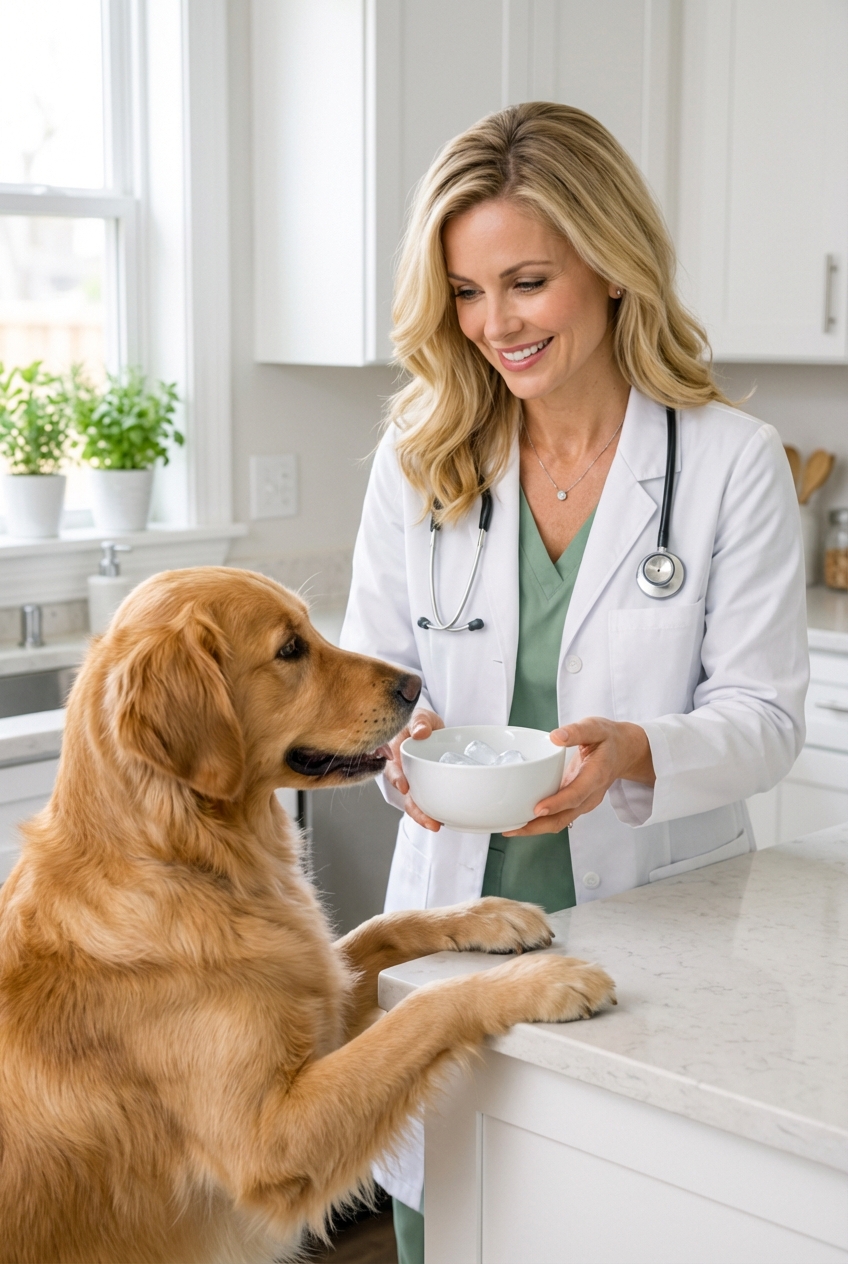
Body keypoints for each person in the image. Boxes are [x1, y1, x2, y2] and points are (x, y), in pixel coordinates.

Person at [340, 101, 807, 1264]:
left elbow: (764, 722)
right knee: (446, 1216)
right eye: (463, 290)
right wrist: (405, 750)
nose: (492, 322)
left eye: (527, 281)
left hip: (653, 932)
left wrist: (635, 753)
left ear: (608, 262)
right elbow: (369, 699)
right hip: (455, 936)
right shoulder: (418, 457)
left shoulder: (726, 463)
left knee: (625, 1223)